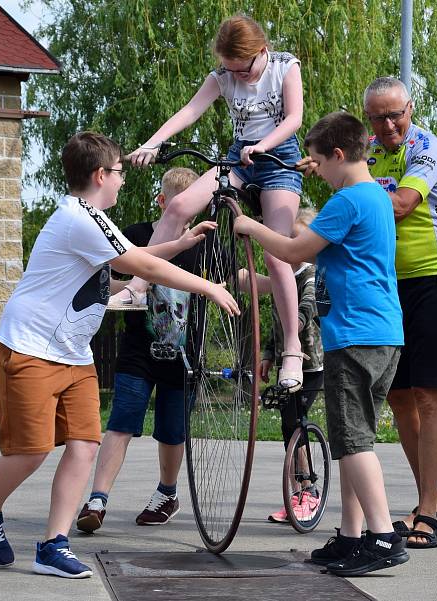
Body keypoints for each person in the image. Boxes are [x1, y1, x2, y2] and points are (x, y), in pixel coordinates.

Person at [0, 132, 238, 579]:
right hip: (32, 346)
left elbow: (130, 259)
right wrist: (207, 285)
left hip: (73, 353)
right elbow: (141, 266)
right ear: (99, 175)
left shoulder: (92, 217)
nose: (122, 181)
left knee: (85, 445)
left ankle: (54, 544)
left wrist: (181, 246)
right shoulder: (77, 220)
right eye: (118, 172)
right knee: (31, 452)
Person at [235, 112, 408, 577]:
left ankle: (382, 537)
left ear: (337, 155)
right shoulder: (375, 196)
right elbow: (319, 235)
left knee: (352, 442)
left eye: (317, 161)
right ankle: (352, 537)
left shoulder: (348, 201)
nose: (315, 170)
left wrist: (251, 227)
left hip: (355, 335)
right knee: (353, 439)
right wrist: (310, 168)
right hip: (381, 333)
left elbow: (292, 253)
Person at [113, 14, 307, 392]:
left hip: (278, 161)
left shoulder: (285, 67)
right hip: (238, 159)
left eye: (244, 69)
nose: (238, 76)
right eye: (230, 69)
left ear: (261, 52)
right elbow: (190, 110)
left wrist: (263, 146)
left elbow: (296, 118)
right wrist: (153, 142)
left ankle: (292, 348)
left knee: (275, 252)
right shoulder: (222, 76)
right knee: (178, 207)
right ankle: (137, 286)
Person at [365, 76, 437, 549]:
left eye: (395, 115)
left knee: (428, 395)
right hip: (388, 284)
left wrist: (349, 200)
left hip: (435, 277)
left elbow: (401, 205)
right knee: (400, 398)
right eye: (378, 118)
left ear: (410, 109)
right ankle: (434, 499)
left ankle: (428, 507)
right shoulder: (366, 150)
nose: (388, 126)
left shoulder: (426, 146)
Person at [76, 167, 200, 535]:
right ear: (162, 202)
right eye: (177, 208)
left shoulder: (207, 242)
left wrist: (280, 279)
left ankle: (167, 493)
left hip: (183, 353)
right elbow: (107, 276)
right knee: (122, 420)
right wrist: (125, 285)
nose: (185, 218)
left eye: (193, 210)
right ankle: (97, 499)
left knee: (172, 430)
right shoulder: (136, 236)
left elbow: (235, 277)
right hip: (138, 350)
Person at [257, 207, 325, 524]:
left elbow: (309, 303)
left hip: (311, 364)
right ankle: (297, 493)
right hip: (287, 362)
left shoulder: (311, 273)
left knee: (297, 422)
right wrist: (269, 354)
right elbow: (274, 324)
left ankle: (308, 489)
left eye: (298, 240)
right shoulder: (281, 276)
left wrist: (296, 321)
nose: (291, 246)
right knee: (289, 426)